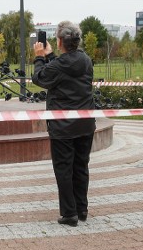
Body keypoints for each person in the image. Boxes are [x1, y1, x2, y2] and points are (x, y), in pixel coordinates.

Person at [31, 21, 96, 226]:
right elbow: (64, 70)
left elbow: (40, 78)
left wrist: (40, 58)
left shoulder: (59, 65)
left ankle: (69, 214)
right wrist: (50, 57)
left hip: (62, 126)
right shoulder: (85, 60)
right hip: (85, 123)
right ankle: (82, 209)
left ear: (60, 41)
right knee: (81, 167)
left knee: (64, 170)